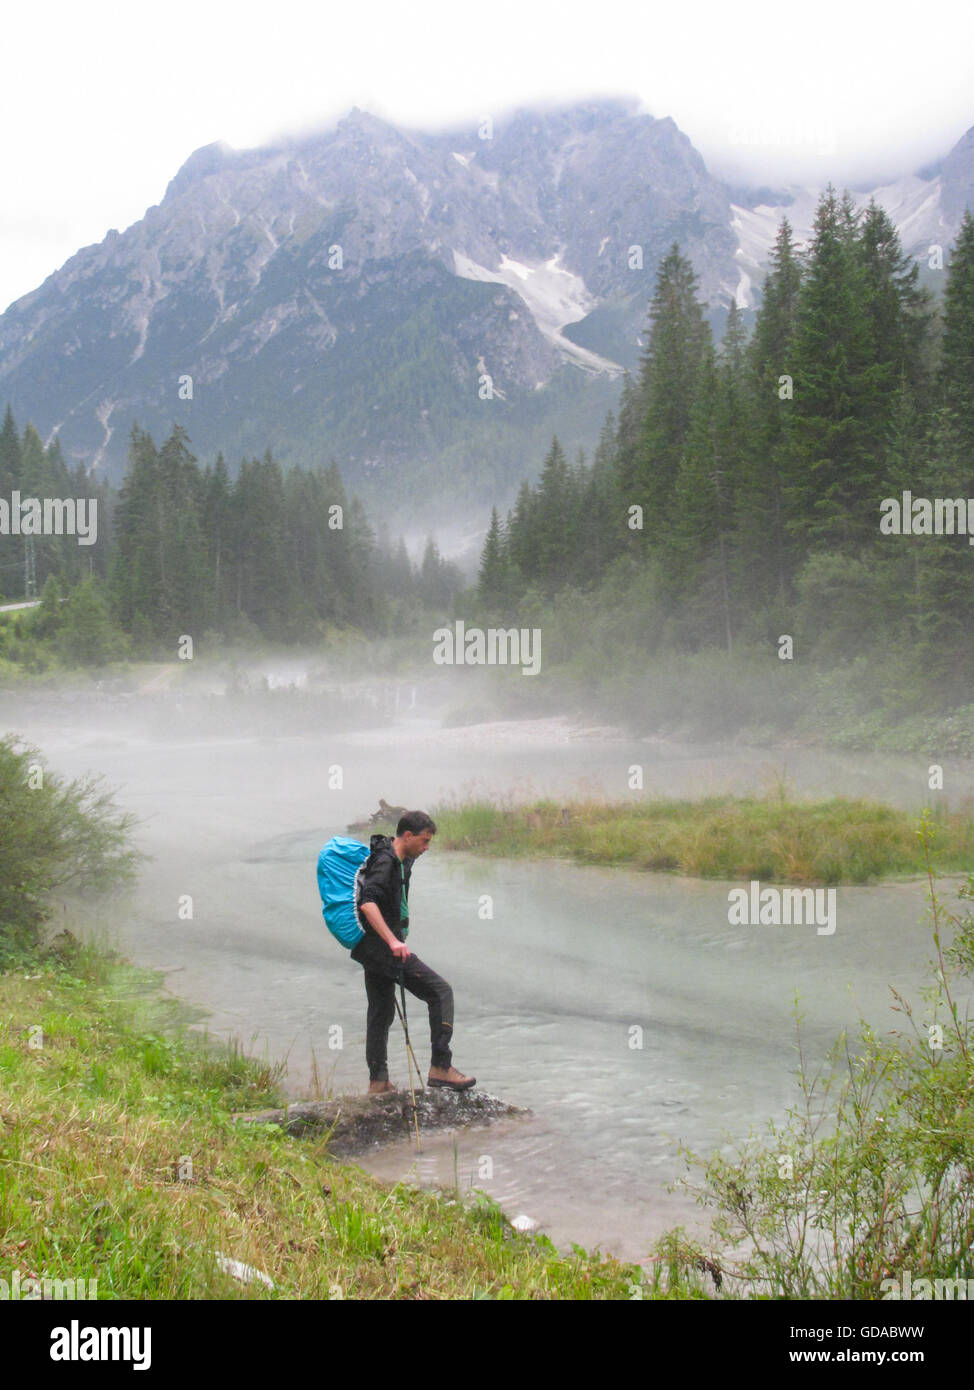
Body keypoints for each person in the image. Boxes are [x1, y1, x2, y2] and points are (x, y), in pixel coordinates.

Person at [350, 809, 475, 1095]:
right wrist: (393, 942)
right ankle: (441, 1068)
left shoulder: (398, 858)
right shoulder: (386, 861)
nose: (427, 847)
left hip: (369, 948)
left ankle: (378, 1082)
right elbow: (368, 903)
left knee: (380, 1012)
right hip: (381, 948)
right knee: (440, 992)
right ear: (407, 836)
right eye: (424, 840)